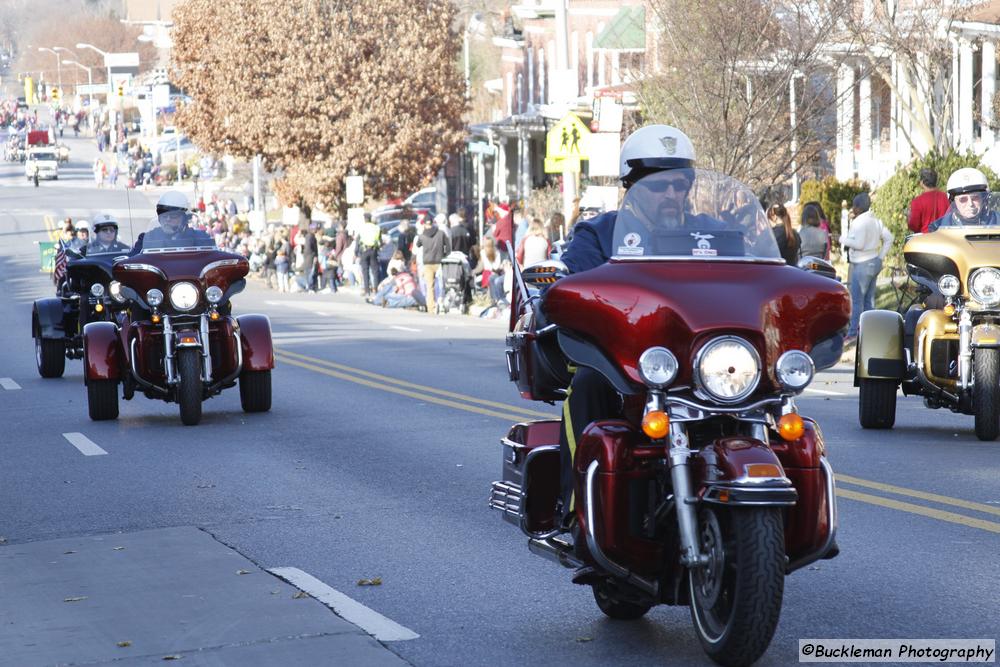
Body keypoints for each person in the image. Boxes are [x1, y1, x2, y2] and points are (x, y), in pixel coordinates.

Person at [556, 124, 697, 526]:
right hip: (624, 360)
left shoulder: (712, 232)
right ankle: (578, 508)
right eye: (657, 185)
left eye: (679, 184)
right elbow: (572, 288)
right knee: (586, 385)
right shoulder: (599, 233)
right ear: (630, 186)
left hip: (696, 357)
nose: (671, 194)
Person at [841, 192, 893, 342]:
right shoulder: (876, 220)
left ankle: (853, 333)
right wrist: (880, 257)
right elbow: (889, 238)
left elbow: (858, 244)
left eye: (854, 206)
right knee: (869, 300)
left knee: (857, 300)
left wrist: (843, 239)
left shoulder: (859, 222)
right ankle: (871, 331)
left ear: (857, 207)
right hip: (874, 262)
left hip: (861, 263)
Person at [134, 190, 212, 251]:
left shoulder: (201, 238)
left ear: (184, 219)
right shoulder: (147, 238)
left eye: (173, 216)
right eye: (164, 216)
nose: (168, 219)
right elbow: (130, 261)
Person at [928, 167, 997, 231]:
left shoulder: (997, 221)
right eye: (963, 199)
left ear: (984, 199)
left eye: (975, 198)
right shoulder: (938, 228)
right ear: (954, 202)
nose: (970, 204)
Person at [416, 213, 451, 313]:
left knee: (429, 286)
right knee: (442, 284)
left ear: (425, 224)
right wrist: (444, 255)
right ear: (433, 223)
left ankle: (431, 307)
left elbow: (418, 244)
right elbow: (448, 247)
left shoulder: (422, 235)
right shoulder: (441, 233)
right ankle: (442, 303)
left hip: (427, 263)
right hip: (439, 262)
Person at [908, 168, 950, 234]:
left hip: (925, 241)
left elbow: (914, 226)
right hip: (944, 239)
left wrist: (908, 217)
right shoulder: (946, 197)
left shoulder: (917, 202)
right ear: (936, 181)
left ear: (922, 182)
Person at [358, 215, 382, 298]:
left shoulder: (361, 227)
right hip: (373, 250)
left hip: (364, 250)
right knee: (375, 270)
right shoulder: (376, 228)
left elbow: (358, 240)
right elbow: (379, 240)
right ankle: (375, 289)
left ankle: (367, 290)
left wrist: (357, 252)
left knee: (365, 271)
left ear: (364, 220)